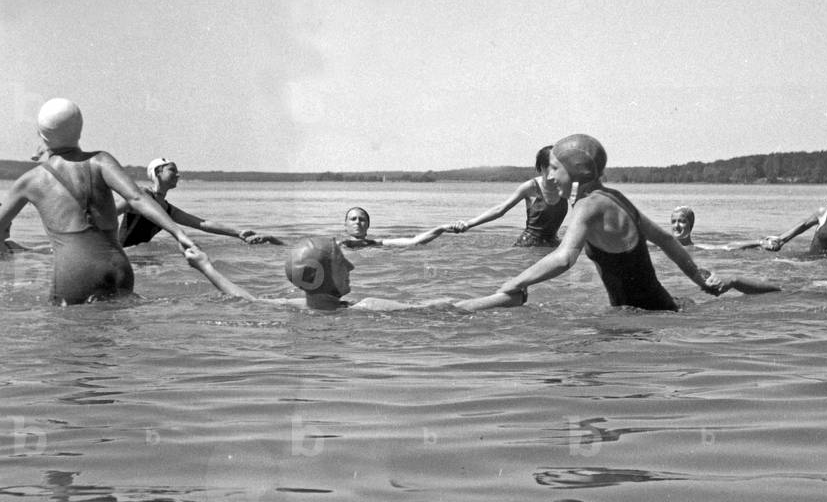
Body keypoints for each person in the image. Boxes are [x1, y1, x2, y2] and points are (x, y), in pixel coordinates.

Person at [497, 134, 779, 310]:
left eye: (554, 169)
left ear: (576, 172)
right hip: (659, 308)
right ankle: (756, 286)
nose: (548, 177)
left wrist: (515, 281)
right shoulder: (613, 196)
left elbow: (563, 258)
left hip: (650, 315)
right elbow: (665, 239)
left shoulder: (588, 205)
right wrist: (698, 278)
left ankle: (741, 282)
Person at [0, 99, 202, 304]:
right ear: (80, 130)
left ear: (42, 135)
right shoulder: (101, 161)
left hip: (74, 274)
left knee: (67, 323)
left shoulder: (30, 181)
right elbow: (137, 197)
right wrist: (179, 234)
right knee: (115, 321)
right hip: (117, 268)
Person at [185, 235, 525, 313]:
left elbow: (244, 298)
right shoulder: (366, 307)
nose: (351, 267)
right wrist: (500, 299)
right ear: (322, 275)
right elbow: (442, 308)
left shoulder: (291, 307)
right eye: (341, 263)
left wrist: (205, 266)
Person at [117, 157, 282, 247]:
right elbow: (109, 211)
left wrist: (238, 233)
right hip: (122, 254)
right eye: (172, 170)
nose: (178, 175)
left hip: (139, 258)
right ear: (158, 172)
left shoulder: (167, 209)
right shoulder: (141, 196)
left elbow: (202, 223)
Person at [448, 146, 569, 247]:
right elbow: (500, 209)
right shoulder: (530, 187)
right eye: (553, 167)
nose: (557, 172)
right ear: (542, 167)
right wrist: (469, 224)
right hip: (529, 246)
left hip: (553, 244)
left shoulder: (566, 186)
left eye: (560, 168)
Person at [339, 206, 446, 249]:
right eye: (353, 219)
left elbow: (414, 241)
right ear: (345, 225)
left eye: (362, 219)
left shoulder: (377, 243)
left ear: (368, 225)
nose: (357, 222)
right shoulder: (338, 245)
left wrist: (441, 228)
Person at [670, 205, 763, 251]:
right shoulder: (663, 247)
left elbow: (728, 247)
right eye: (673, 222)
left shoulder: (697, 248)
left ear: (691, 224)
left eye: (681, 221)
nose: (676, 226)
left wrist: (759, 242)